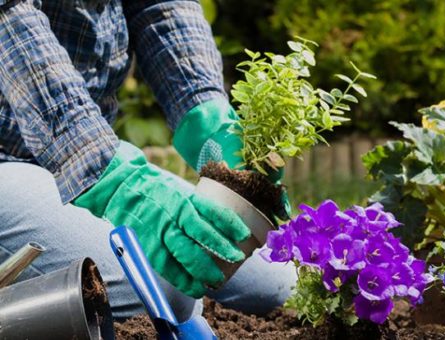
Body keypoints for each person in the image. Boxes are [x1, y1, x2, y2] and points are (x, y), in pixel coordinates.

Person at [0, 0, 296, 320]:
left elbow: (157, 5)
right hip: (12, 160)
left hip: (68, 170)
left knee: (276, 281)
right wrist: (112, 177)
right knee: (160, 292)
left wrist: (205, 116)